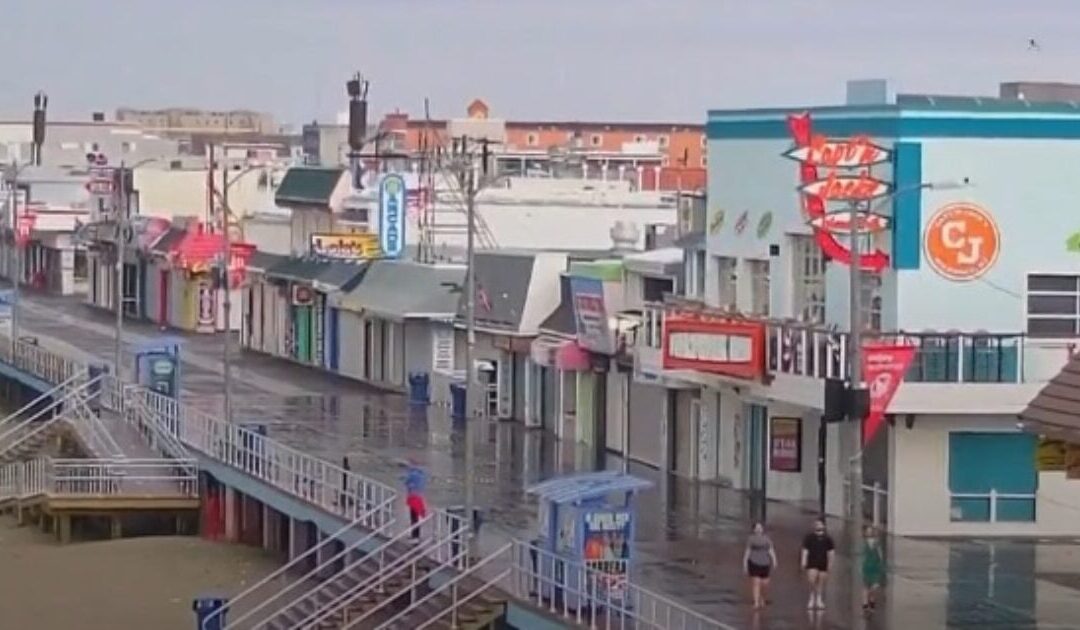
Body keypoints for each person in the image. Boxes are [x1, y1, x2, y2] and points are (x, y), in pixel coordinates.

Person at [800, 518, 835, 610]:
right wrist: (803, 561)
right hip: (812, 562)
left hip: (823, 562)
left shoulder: (828, 539)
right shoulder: (809, 537)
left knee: (821, 582)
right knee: (812, 580)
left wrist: (830, 564)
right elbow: (805, 550)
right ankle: (812, 597)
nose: (818, 526)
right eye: (816, 524)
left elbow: (831, 552)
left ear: (823, 526)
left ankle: (819, 599)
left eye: (820, 524)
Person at [743, 522, 778, 609]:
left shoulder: (767, 539)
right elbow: (747, 551)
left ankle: (762, 597)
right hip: (754, 562)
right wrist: (744, 563)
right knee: (756, 583)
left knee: (765, 584)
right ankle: (756, 602)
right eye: (757, 528)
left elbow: (771, 550)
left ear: (762, 529)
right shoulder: (751, 539)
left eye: (760, 528)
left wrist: (774, 560)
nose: (758, 529)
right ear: (754, 530)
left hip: (765, 563)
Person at [402, 461, 427, 541]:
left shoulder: (412, 474)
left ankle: (415, 536)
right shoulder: (421, 474)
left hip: (413, 498)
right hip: (419, 498)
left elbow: (406, 482)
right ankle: (416, 535)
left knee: (413, 518)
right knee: (416, 517)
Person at [862, 525, 884, 613]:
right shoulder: (863, 543)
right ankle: (865, 604)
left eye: (870, 531)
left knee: (874, 586)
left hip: (875, 566)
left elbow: (880, 554)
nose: (869, 532)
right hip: (866, 566)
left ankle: (871, 600)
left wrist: (881, 564)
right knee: (866, 586)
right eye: (868, 531)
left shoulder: (877, 543)